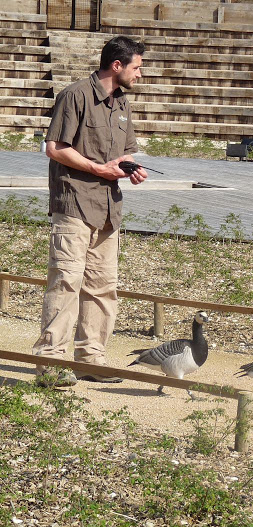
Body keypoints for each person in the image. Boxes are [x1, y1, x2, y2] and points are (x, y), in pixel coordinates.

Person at [32, 36, 148, 387]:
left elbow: (124, 153)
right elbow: (55, 148)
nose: (140, 74)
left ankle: (90, 359)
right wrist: (99, 170)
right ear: (117, 66)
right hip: (74, 206)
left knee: (102, 287)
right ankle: (50, 362)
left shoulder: (123, 104)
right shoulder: (75, 95)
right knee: (66, 283)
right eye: (137, 67)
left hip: (109, 210)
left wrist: (130, 168)